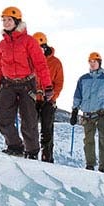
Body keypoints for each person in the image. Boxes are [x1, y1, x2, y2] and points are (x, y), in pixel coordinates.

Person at [0, 8, 53, 159]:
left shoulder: (29, 41)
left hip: (26, 85)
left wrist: (47, 86)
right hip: (8, 85)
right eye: (4, 20)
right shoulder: (1, 46)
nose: (6, 23)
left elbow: (41, 65)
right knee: (3, 120)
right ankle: (15, 146)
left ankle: (32, 152)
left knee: (29, 121)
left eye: (9, 19)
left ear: (17, 21)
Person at [69, 53, 104, 173]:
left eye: (94, 61)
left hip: (102, 114)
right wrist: (74, 110)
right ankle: (90, 165)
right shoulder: (83, 79)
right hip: (87, 115)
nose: (92, 63)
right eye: (90, 61)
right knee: (88, 141)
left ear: (99, 62)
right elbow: (77, 96)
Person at [32, 32, 64, 162]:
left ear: (45, 47)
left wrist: (52, 97)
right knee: (30, 128)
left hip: (48, 101)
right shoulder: (29, 61)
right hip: (32, 99)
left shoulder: (55, 63)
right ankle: (31, 154)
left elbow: (59, 83)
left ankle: (47, 157)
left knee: (47, 130)